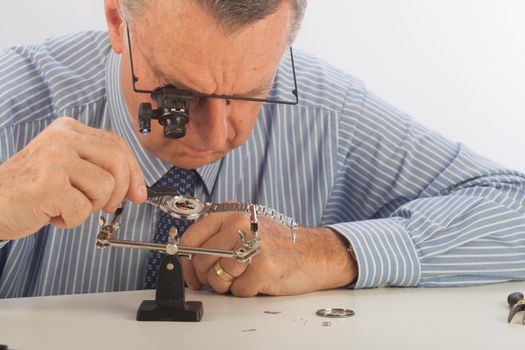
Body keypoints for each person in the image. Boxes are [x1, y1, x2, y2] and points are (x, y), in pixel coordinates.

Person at [0, 0, 524, 299]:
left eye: (251, 93)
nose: (215, 134)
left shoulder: (328, 111)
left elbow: (513, 206)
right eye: (176, 95)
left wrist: (327, 252)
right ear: (118, 20)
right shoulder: (15, 101)